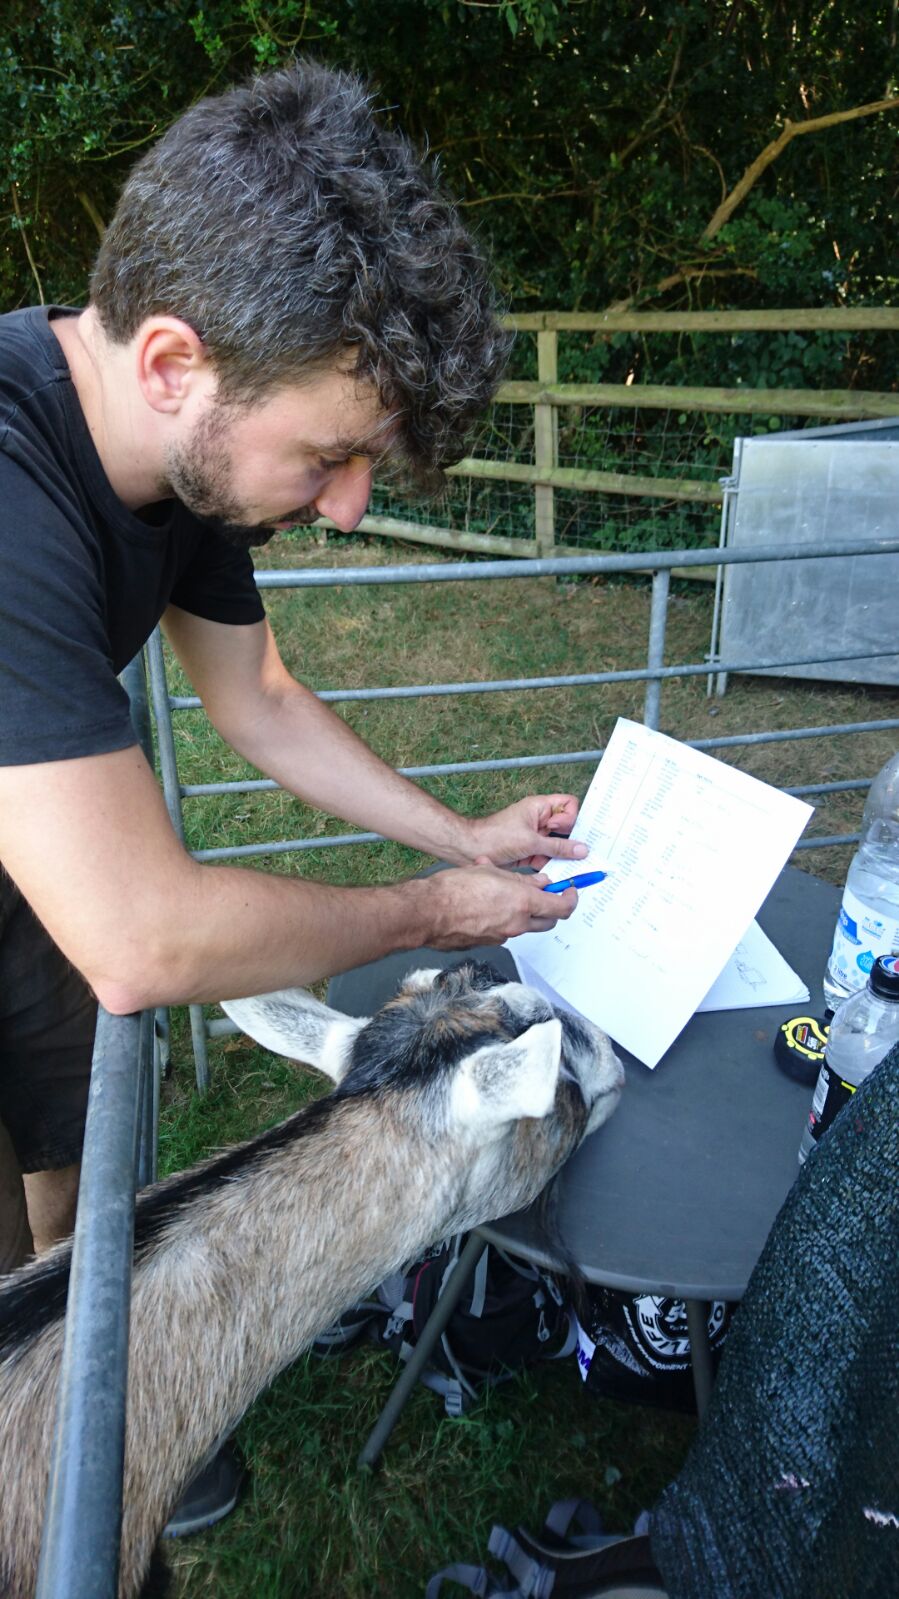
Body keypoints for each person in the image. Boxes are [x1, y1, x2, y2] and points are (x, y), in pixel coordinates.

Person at [0, 60, 587, 1282]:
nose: (353, 507)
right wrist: (429, 910)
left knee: (74, 1139)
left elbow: (256, 696)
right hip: (59, 865)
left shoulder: (182, 460)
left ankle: (85, 1385)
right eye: (330, 455)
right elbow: (143, 937)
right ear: (172, 363)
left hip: (33, 845)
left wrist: (463, 839)